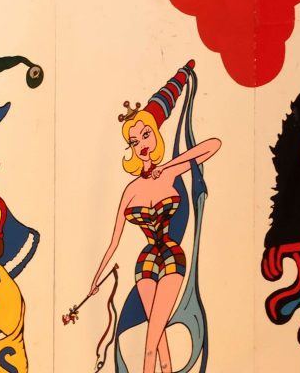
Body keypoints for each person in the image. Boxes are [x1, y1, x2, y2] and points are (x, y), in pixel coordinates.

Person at [79, 64, 220, 373]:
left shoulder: (169, 173)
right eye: (134, 141)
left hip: (171, 258)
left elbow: (213, 146)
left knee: (150, 343)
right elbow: (114, 242)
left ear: (155, 135)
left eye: (145, 135)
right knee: (160, 346)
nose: (142, 144)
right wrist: (95, 281)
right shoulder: (131, 190)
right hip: (145, 262)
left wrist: (170, 166)